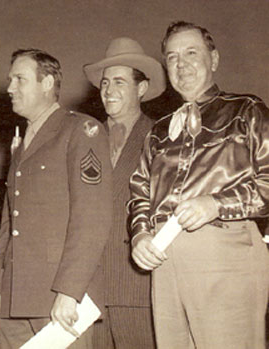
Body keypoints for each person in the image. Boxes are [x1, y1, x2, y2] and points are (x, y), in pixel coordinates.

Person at [128, 21, 269, 348]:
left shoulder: (246, 110)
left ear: (214, 60)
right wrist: (140, 234)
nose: (181, 64)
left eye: (192, 53)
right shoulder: (158, 131)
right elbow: (139, 194)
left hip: (226, 253)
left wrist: (216, 204)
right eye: (173, 57)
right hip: (165, 260)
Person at [0, 48, 113, 348]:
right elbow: (8, 226)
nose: (10, 88)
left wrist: (70, 292)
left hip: (59, 300)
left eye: (20, 79)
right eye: (10, 79)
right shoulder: (21, 145)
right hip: (16, 299)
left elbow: (92, 220)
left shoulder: (81, 130)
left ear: (47, 83)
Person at [83, 37, 165, 348]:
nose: (108, 90)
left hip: (139, 288)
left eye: (119, 81)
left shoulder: (161, 137)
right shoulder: (85, 137)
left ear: (141, 88)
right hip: (92, 293)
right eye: (104, 82)